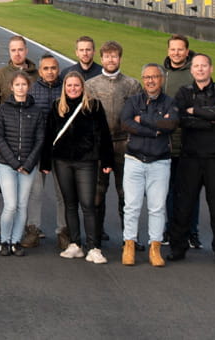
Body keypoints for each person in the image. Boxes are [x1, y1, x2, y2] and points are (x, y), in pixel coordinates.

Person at [168, 53, 215, 265]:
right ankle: (178, 247)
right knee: (183, 205)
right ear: (191, 70)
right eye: (196, 66)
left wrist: (195, 111)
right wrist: (208, 120)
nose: (200, 69)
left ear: (211, 69)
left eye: (203, 66)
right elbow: (180, 119)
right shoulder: (184, 92)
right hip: (190, 158)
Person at [44, 71, 115, 264]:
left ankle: (94, 247)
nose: (72, 89)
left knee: (88, 204)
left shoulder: (93, 106)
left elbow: (104, 135)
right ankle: (75, 244)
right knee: (69, 203)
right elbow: (49, 136)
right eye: (69, 85)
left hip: (86, 162)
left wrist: (107, 160)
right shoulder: (56, 106)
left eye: (76, 85)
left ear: (82, 87)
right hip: (62, 161)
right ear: (64, 87)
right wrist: (45, 162)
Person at [118, 63, 179, 267]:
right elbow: (126, 123)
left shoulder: (170, 102)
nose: (150, 81)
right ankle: (129, 244)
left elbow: (171, 124)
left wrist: (143, 119)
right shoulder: (133, 101)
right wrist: (153, 130)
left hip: (160, 161)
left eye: (154, 77)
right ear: (143, 79)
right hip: (134, 159)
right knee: (131, 206)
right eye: (146, 77)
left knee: (157, 207)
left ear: (161, 79)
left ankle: (155, 247)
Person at [84, 41, 141, 247]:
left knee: (127, 194)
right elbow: (86, 117)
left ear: (120, 58)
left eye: (114, 56)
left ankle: (130, 238)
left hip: (125, 145)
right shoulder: (91, 85)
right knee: (98, 193)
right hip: (100, 146)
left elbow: (138, 115)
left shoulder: (132, 85)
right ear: (102, 58)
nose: (110, 60)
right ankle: (96, 237)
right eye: (107, 56)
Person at [0, 73, 45, 257]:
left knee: (22, 205)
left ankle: (15, 241)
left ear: (28, 87)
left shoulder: (36, 111)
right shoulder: (2, 110)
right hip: (7, 165)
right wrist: (15, 163)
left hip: (28, 166)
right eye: (17, 84)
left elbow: (40, 139)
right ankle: (4, 241)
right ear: (11, 87)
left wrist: (28, 163)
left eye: (24, 84)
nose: (21, 87)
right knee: (11, 205)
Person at [163, 33, 203, 249]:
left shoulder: (195, 73)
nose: (176, 53)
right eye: (173, 49)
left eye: (180, 49)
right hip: (167, 143)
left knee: (190, 191)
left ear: (187, 51)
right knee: (168, 191)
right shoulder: (162, 73)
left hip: (190, 143)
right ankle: (170, 230)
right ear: (168, 51)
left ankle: (191, 231)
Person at [24, 54, 67, 248]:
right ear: (40, 71)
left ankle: (63, 231)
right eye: (46, 68)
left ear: (58, 70)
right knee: (35, 192)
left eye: (54, 68)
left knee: (63, 193)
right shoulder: (31, 91)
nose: (50, 72)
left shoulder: (67, 89)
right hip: (38, 149)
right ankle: (33, 229)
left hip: (61, 150)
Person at [0, 35, 37, 104]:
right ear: (9, 52)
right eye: (13, 50)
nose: (17, 54)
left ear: (26, 51)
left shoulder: (38, 75)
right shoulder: (0, 74)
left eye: (20, 50)